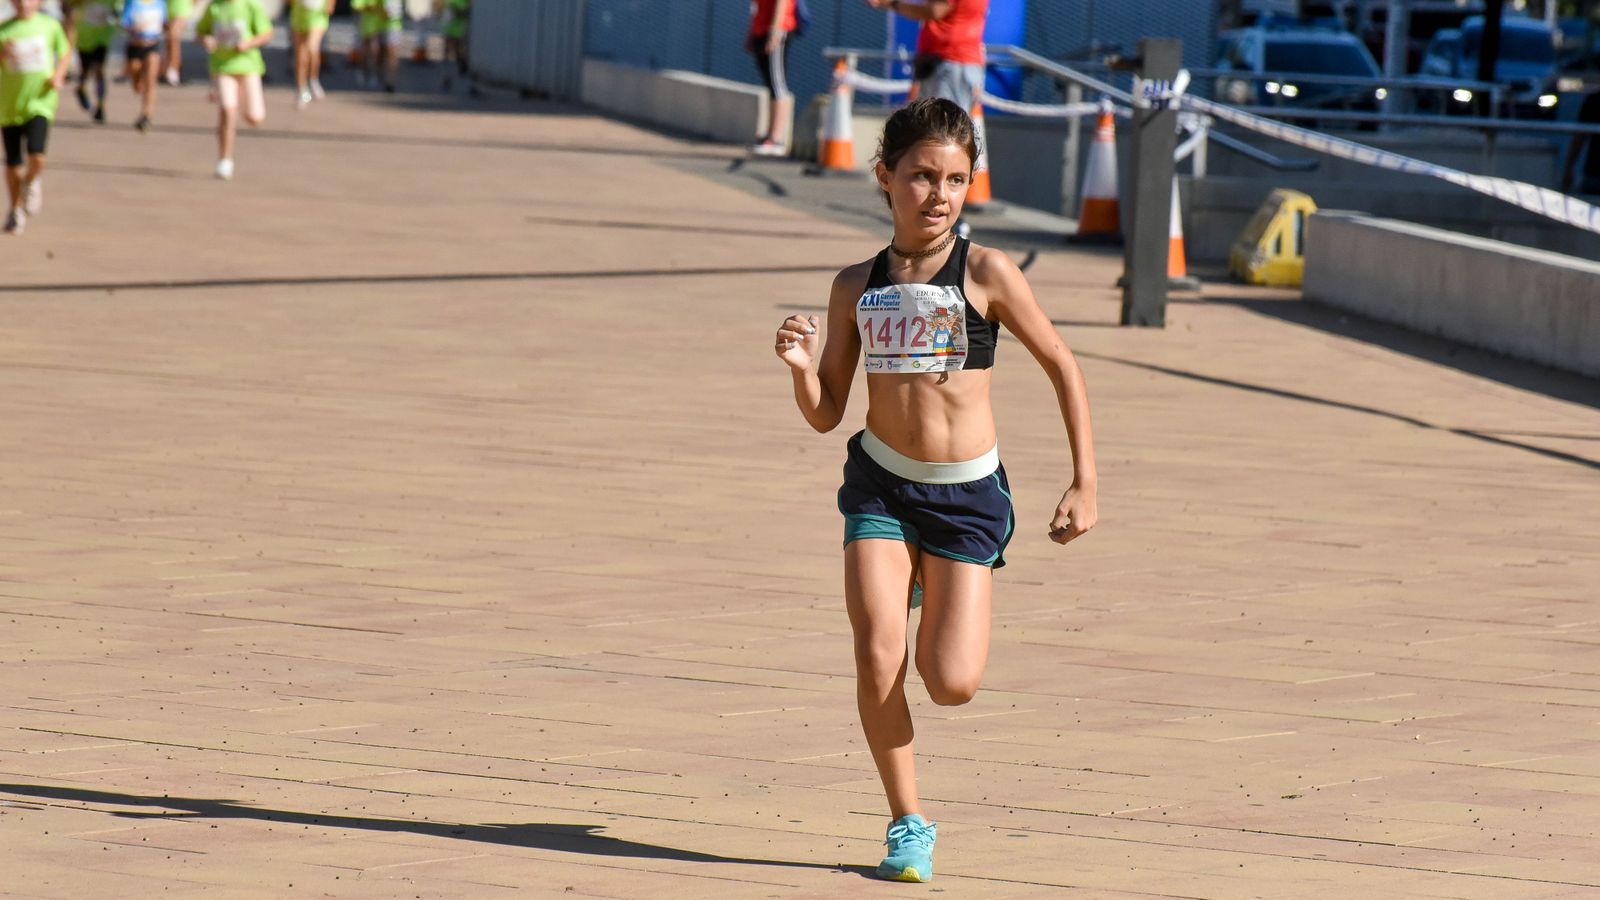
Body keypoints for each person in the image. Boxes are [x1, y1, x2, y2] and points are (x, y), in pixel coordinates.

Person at [772, 97, 1097, 883]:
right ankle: (906, 822)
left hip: (965, 497)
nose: (939, 195)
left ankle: (930, 578)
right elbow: (827, 412)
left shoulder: (986, 274)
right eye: (921, 176)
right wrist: (801, 371)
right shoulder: (856, 286)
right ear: (884, 176)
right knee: (877, 651)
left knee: (950, 683)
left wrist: (1085, 481)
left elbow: (1062, 364)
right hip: (881, 486)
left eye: (955, 179)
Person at [1, 0, 71, 235]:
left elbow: (64, 52)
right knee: (13, 164)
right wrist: (3, 54)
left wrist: (59, 75)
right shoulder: (4, 30)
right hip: (10, 105)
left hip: (41, 101)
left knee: (37, 154)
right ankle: (15, 211)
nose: (24, 3)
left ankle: (31, 181)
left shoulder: (50, 26)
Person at [195, 0, 268, 180]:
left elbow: (266, 33)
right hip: (222, 66)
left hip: (248, 65)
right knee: (227, 110)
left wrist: (248, 44)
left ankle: (242, 102)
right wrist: (206, 40)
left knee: (255, 117)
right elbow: (200, 32)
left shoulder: (250, 5)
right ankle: (225, 160)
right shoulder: (215, 6)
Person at [867, 0, 987, 108]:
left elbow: (934, 11)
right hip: (947, 62)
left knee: (943, 121)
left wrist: (893, 4)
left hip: (951, 62)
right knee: (929, 119)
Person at [745, 0, 794, 156]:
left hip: (776, 31)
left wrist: (776, 30)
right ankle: (770, 135)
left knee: (777, 84)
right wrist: (751, 32)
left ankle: (776, 139)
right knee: (771, 84)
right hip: (761, 30)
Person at [66, 0, 116, 123]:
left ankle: (100, 106)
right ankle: (81, 88)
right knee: (85, 71)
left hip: (102, 38)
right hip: (85, 38)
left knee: (100, 71)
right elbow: (69, 6)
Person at [119, 0, 162, 131]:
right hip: (135, 45)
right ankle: (137, 80)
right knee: (136, 79)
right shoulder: (132, 2)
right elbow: (124, 22)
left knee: (151, 81)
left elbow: (164, 21)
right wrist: (134, 28)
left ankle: (146, 115)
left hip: (152, 45)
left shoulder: (160, 2)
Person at [289, 0, 331, 108]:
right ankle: (301, 90)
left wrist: (330, 4)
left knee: (312, 48)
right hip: (299, 16)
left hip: (317, 16)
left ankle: (313, 79)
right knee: (300, 57)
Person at [1561, 88, 1600, 196]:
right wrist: (1568, 168)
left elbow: (1579, 137)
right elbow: (1580, 136)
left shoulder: (1594, 100)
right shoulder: (1594, 100)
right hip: (1594, 174)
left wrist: (1568, 168)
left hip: (1593, 174)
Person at [440, 0, 467, 92]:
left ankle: (462, 67)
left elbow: (465, 11)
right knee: (446, 53)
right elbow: (446, 12)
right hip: (449, 29)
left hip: (459, 30)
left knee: (458, 53)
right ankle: (446, 77)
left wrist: (456, 10)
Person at [159, 0, 188, 85]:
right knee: (169, 42)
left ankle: (173, 71)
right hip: (165, 8)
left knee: (173, 40)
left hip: (181, 9)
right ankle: (165, 71)